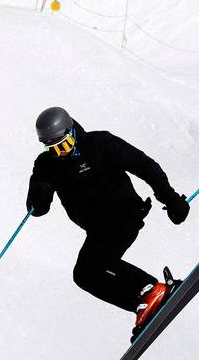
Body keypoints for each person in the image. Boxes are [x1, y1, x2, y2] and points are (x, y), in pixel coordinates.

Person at [26, 106, 190, 338]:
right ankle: (144, 303)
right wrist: (38, 196)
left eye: (62, 145)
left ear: (71, 132)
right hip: (97, 228)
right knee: (83, 274)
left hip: (124, 213)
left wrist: (171, 199)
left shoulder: (99, 144)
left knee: (98, 259)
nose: (59, 153)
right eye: (51, 149)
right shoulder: (46, 165)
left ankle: (151, 289)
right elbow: (37, 208)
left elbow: (144, 165)